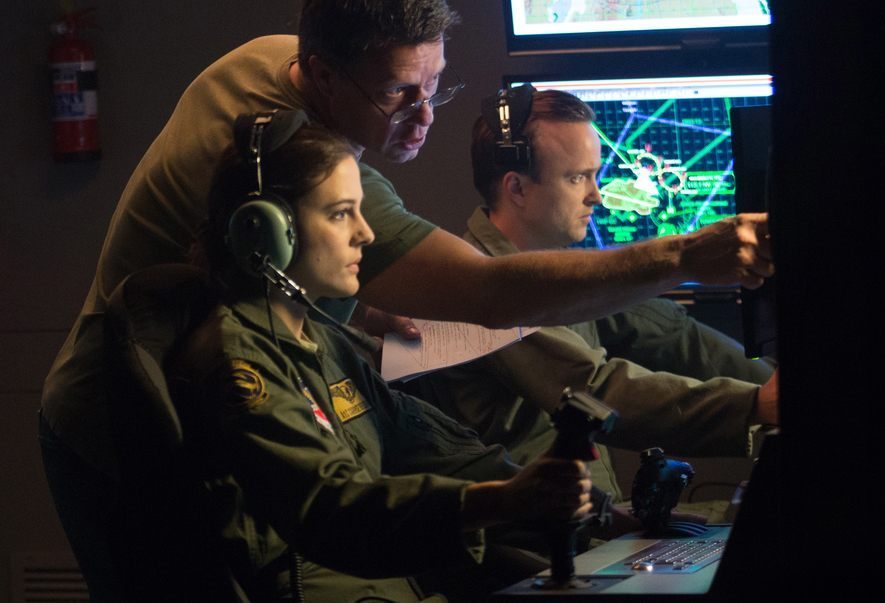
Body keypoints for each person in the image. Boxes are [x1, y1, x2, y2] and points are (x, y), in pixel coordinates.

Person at [38, 0, 772, 598]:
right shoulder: (292, 167)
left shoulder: (279, 61)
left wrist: (559, 500)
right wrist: (683, 255)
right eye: (399, 94)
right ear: (321, 76)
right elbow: (489, 295)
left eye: (436, 86)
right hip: (127, 433)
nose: (425, 117)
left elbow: (429, 439)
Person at [165, 117, 597, 601]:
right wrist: (501, 501)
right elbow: (333, 510)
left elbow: (430, 444)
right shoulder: (239, 363)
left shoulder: (321, 341)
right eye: (340, 214)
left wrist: (593, 508)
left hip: (388, 581)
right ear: (264, 231)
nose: (366, 234)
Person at [406, 88, 779, 506]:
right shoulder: (479, 292)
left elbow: (672, 333)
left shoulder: (563, 274)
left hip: (593, 529)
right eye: (577, 177)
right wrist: (755, 405)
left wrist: (773, 382)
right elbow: (596, 389)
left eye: (595, 175)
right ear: (517, 188)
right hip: (530, 548)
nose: (596, 195)